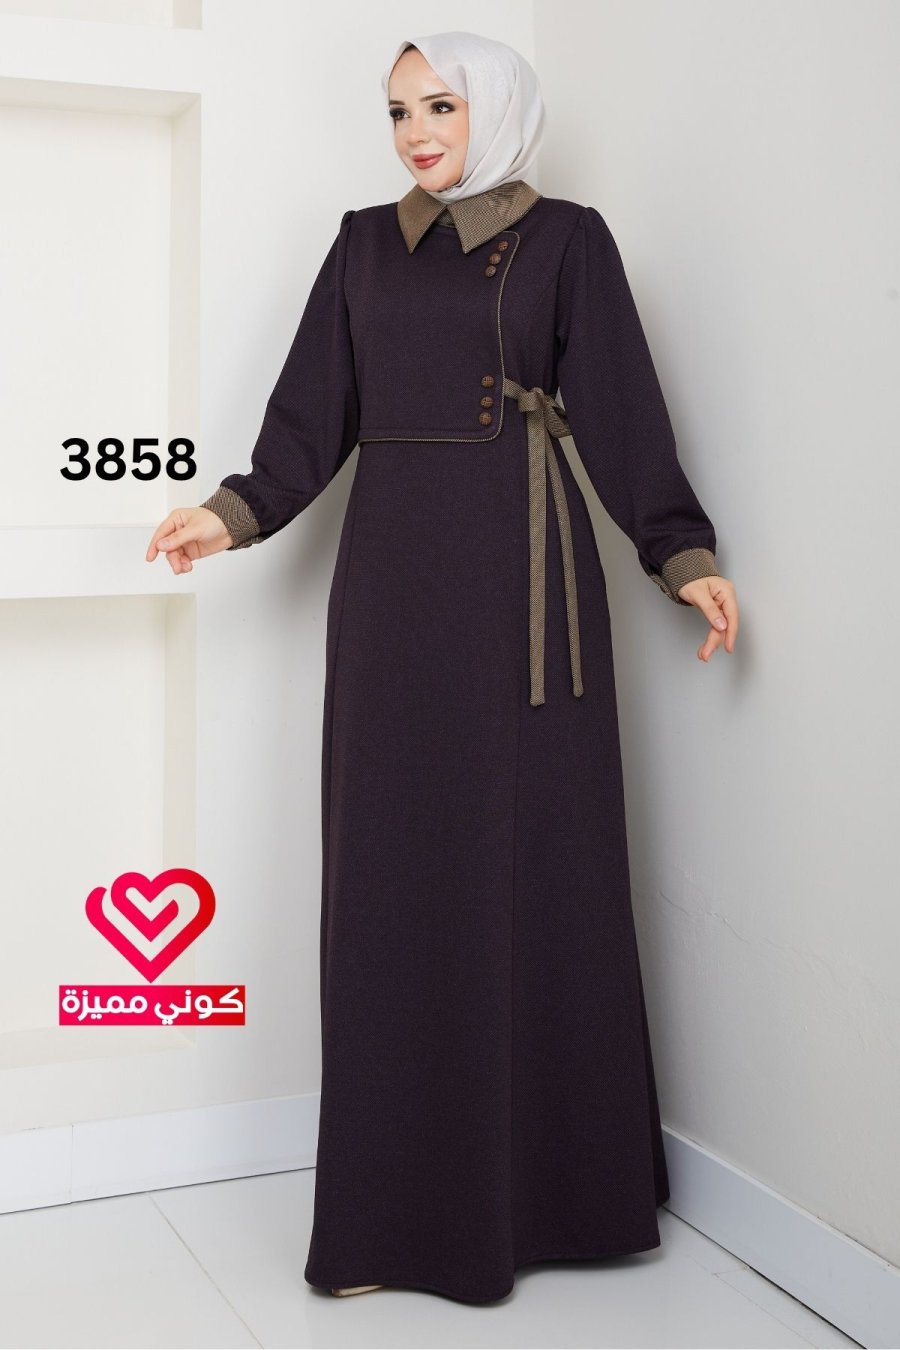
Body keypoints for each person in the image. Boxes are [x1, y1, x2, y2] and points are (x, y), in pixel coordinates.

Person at [146, 30, 739, 1305]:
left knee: (539, 869)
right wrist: (229, 512)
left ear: (497, 112)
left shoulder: (571, 241)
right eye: (399, 112)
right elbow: (308, 417)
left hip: (528, 595)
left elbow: (623, 412)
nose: (416, 133)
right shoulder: (363, 245)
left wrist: (681, 553)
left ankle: (563, 1198)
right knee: (392, 875)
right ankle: (389, 1220)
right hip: (394, 591)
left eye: (441, 107)